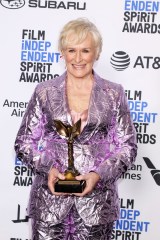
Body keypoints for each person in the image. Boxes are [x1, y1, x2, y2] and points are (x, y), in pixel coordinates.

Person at [14, 18, 137, 240]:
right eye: (72, 50)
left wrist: (97, 175)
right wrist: (48, 169)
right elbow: (23, 142)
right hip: (48, 203)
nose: (78, 58)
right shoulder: (44, 92)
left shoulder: (113, 93)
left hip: (97, 204)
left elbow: (127, 146)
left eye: (85, 50)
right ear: (62, 52)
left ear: (96, 53)